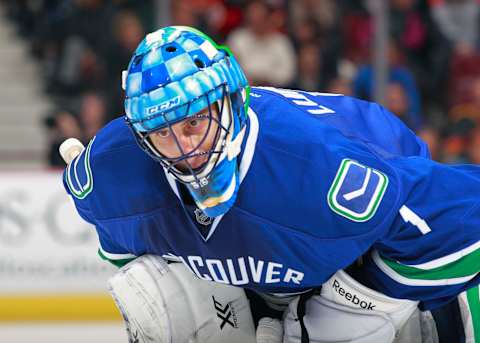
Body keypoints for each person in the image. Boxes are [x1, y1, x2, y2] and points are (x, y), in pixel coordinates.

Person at [62, 26, 480, 342]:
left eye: (193, 122)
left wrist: (361, 308)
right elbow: (121, 245)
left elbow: (467, 219)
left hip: (372, 214)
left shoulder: (323, 171)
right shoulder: (112, 172)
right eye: (161, 132)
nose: (183, 147)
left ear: (231, 101)